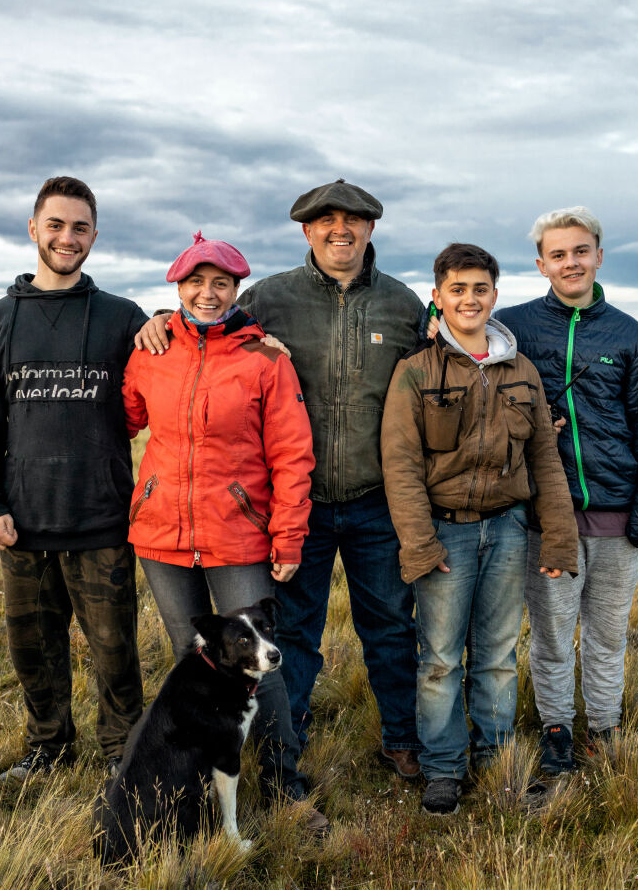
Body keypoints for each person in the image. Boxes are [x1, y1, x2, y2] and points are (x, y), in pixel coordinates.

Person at [136, 180, 428, 780]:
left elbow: (435, 377)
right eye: (326, 221)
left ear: (372, 229)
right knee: (292, 635)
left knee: (393, 629)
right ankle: (284, 749)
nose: (339, 229)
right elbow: (208, 326)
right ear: (306, 230)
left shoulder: (402, 306)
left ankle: (401, 739)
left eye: (353, 220)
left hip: (377, 502)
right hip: (297, 507)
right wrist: (162, 319)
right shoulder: (270, 297)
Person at [122, 232, 327, 831]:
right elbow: (128, 416)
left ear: (237, 289)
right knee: (195, 667)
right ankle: (193, 786)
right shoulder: (152, 350)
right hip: (162, 537)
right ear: (177, 288)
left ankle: (286, 785)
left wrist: (287, 537)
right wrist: (146, 332)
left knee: (263, 667)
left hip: (238, 536)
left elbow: (293, 455)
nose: (207, 294)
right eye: (195, 283)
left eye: (220, 284)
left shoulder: (265, 359)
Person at [381, 243, 578, 815]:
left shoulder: (521, 371)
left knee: (496, 655)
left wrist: (559, 537)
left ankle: (496, 761)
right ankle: (443, 768)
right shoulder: (415, 372)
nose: (470, 298)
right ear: (437, 296)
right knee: (440, 659)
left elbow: (545, 457)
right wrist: (420, 544)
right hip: (446, 536)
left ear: (496, 295)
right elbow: (400, 464)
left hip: (509, 530)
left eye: (481, 288)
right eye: (458, 289)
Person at [0, 176, 146, 781]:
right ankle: (47, 746)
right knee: (34, 652)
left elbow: (188, 359)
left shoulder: (123, 319)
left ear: (95, 235)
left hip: (101, 520)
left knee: (115, 652)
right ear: (33, 229)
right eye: (56, 225)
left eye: (81, 227)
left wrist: (177, 321)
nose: (68, 238)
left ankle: (123, 752)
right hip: (24, 525)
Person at [491, 207, 638, 776]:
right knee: (549, 634)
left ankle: (604, 727)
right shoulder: (513, 326)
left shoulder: (629, 334)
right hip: (547, 519)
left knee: (607, 635)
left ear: (598, 255)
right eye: (558, 253)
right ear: (541, 263)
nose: (571, 262)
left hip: (620, 517)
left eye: (580, 250)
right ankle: (557, 730)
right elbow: (456, 334)